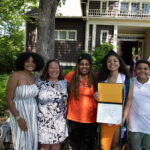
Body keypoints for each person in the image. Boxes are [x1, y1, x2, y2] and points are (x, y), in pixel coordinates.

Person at [94, 50, 133, 150]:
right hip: (105, 118)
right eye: (109, 61)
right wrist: (96, 96)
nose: (112, 63)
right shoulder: (102, 80)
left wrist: (124, 116)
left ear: (119, 63)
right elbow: (98, 98)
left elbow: (128, 100)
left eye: (115, 61)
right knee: (104, 146)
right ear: (106, 64)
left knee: (116, 145)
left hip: (119, 118)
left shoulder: (126, 80)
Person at [5, 52, 44, 150]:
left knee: (32, 140)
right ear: (22, 62)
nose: (30, 64)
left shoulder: (32, 77)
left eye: (33, 62)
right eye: (27, 61)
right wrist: (18, 118)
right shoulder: (15, 76)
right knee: (22, 141)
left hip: (32, 113)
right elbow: (8, 99)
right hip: (20, 112)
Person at [65, 53, 97, 150]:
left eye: (87, 64)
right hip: (74, 119)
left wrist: (99, 97)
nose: (84, 66)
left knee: (89, 146)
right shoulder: (70, 76)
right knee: (75, 146)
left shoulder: (96, 77)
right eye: (81, 64)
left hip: (91, 118)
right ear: (78, 65)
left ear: (90, 66)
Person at [35, 59, 68, 150]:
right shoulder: (39, 82)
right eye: (51, 68)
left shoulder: (64, 82)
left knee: (56, 145)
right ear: (47, 69)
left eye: (56, 68)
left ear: (59, 69)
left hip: (59, 120)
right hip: (44, 120)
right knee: (44, 146)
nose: (54, 70)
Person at [128, 60, 150, 150]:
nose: (142, 71)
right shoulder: (130, 82)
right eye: (139, 68)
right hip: (134, 126)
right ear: (135, 70)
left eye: (145, 69)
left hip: (148, 126)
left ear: (149, 71)